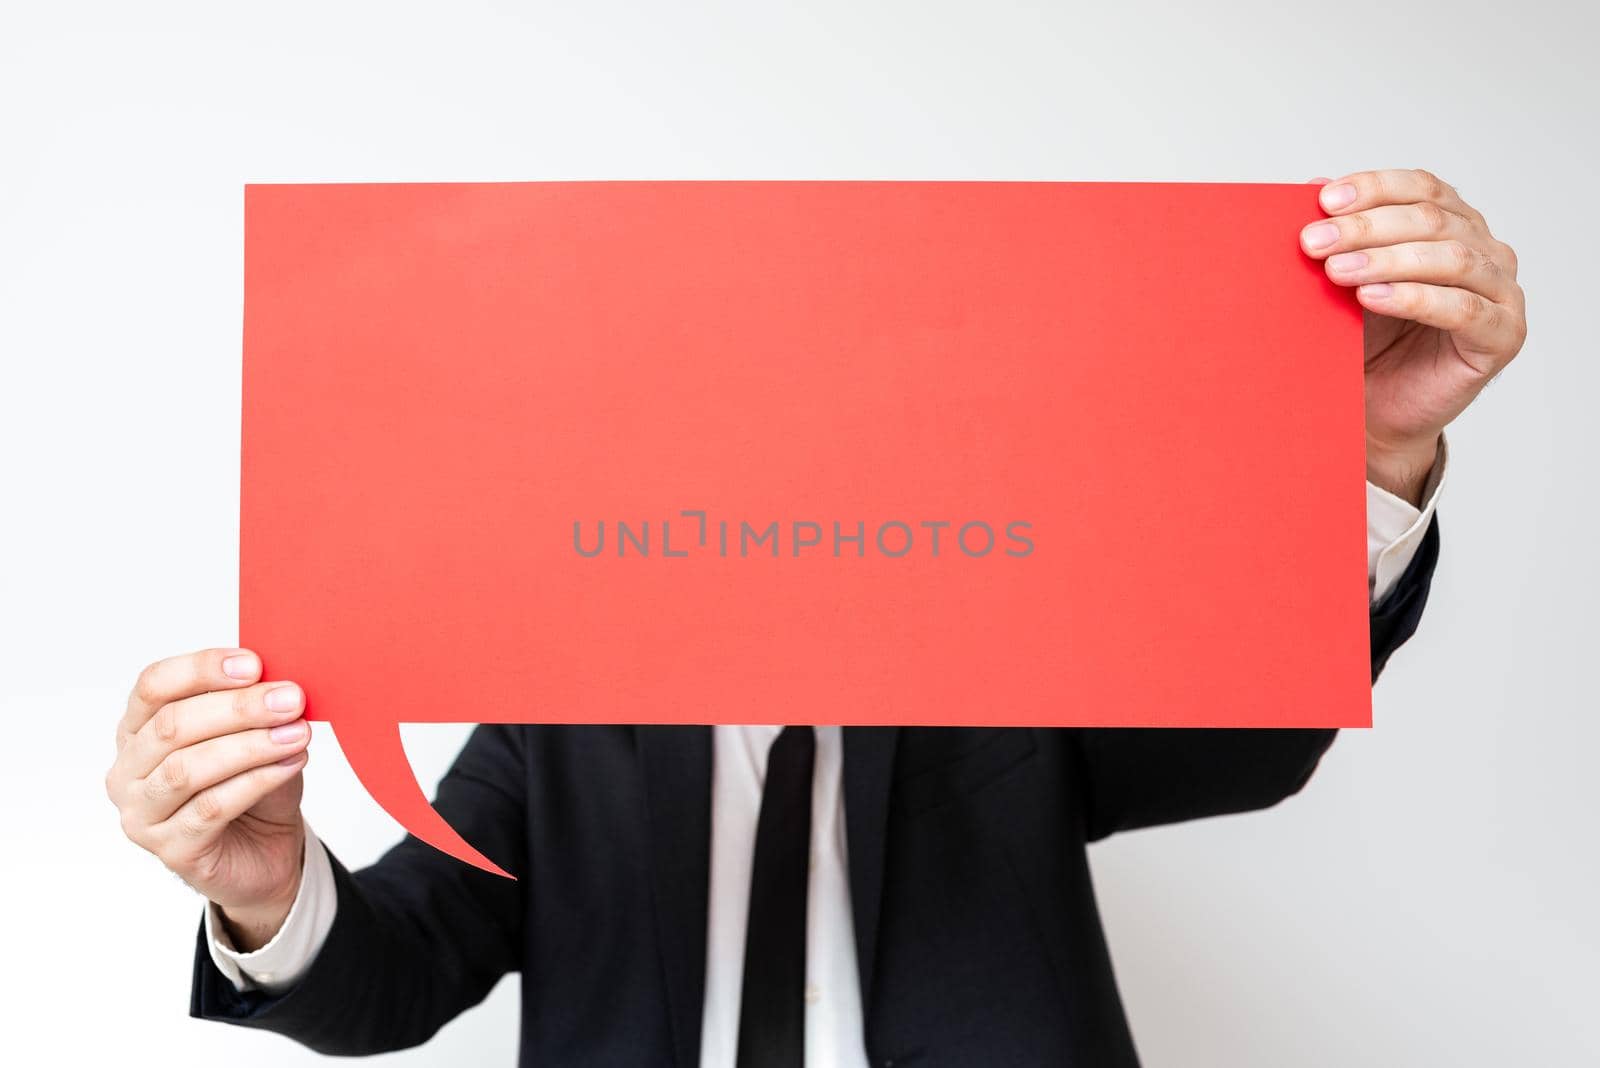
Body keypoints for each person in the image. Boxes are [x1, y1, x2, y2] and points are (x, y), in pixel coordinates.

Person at [106, 170, 1525, 1067]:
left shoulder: (1007, 656)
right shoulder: (560, 729)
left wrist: (1368, 459)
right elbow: (391, 981)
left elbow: (1255, 736)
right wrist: (260, 888)